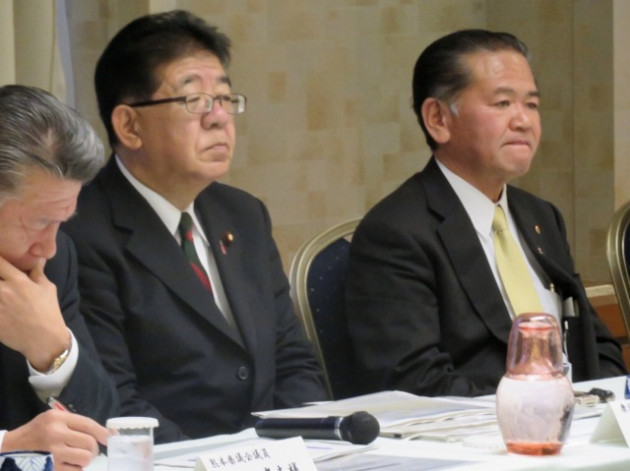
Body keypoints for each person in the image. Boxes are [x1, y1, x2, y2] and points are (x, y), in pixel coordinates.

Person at [62, 10, 327, 444]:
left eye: (224, 98)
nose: (219, 117)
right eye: (194, 100)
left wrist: (295, 444)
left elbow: (294, 362)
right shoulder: (79, 231)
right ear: (129, 125)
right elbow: (115, 399)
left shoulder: (244, 215)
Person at [345, 29, 627, 398]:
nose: (524, 121)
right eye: (503, 103)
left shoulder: (541, 217)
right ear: (438, 119)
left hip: (576, 424)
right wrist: (540, 406)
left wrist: (599, 403)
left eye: (532, 105)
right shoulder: (397, 233)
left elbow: (597, 347)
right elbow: (415, 384)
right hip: (480, 428)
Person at [0, 85, 118, 470]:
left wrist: (52, 351)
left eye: (61, 222)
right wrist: (7, 445)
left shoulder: (54, 261)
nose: (49, 247)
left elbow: (100, 426)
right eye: (39, 222)